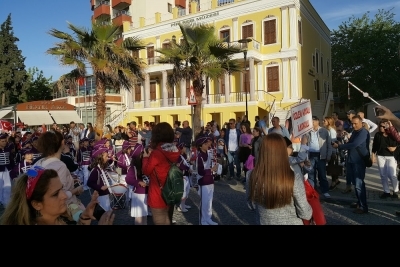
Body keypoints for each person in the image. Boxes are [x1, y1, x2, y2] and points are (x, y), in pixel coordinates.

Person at [0, 167, 114, 225]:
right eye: (55, 194)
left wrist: (85, 217)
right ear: (37, 204)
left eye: (61, 189)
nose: (64, 196)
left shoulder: (61, 218)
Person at [249, 133, 312, 225]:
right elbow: (305, 213)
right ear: (283, 151)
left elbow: (251, 204)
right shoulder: (293, 177)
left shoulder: (251, 175)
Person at [33, 131, 85, 221]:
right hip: (61, 212)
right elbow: (60, 195)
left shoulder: (38, 163)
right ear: (62, 143)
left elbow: (30, 180)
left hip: (42, 209)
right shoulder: (60, 166)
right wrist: (75, 190)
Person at [142, 122, 180, 225]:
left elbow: (146, 171)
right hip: (170, 189)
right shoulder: (175, 150)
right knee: (167, 219)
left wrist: (146, 157)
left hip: (158, 192)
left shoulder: (157, 153)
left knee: (159, 219)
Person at [333, 115, 370, 214]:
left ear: (361, 123)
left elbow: (354, 144)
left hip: (359, 161)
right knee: (355, 183)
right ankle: (359, 203)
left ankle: (363, 207)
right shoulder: (355, 132)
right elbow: (350, 142)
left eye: (356, 123)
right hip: (351, 160)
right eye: (352, 123)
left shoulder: (363, 132)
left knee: (359, 184)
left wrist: (340, 146)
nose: (353, 125)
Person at [302, 116, 332, 198]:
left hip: (321, 155)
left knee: (322, 174)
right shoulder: (307, 132)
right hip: (311, 155)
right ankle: (313, 191)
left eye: (313, 121)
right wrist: (305, 154)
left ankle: (325, 190)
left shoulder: (324, 131)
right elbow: (304, 145)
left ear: (317, 121)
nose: (312, 123)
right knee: (311, 174)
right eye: (311, 122)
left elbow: (329, 144)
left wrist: (328, 155)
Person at [371, 120, 399, 198]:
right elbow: (374, 146)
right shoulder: (378, 135)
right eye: (380, 126)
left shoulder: (392, 135)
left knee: (392, 174)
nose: (382, 128)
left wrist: (394, 148)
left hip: (391, 156)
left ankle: (396, 191)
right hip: (380, 156)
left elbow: (397, 142)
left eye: (384, 126)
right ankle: (386, 191)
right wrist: (373, 156)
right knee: (383, 174)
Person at [196, 136, 219, 225]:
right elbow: (200, 171)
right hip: (203, 182)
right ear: (201, 146)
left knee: (209, 202)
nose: (207, 145)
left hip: (210, 181)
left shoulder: (208, 154)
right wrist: (211, 170)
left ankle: (208, 218)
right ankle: (203, 221)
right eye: (205, 144)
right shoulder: (199, 156)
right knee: (204, 202)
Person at [125, 152, 149, 225]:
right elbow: (128, 179)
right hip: (138, 193)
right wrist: (138, 182)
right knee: (139, 216)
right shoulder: (133, 167)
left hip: (146, 192)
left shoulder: (146, 166)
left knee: (144, 215)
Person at [87, 147, 113, 212]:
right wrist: (100, 187)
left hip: (105, 194)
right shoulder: (96, 170)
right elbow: (89, 183)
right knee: (104, 215)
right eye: (106, 156)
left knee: (107, 213)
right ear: (100, 158)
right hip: (101, 196)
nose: (107, 158)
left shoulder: (102, 168)